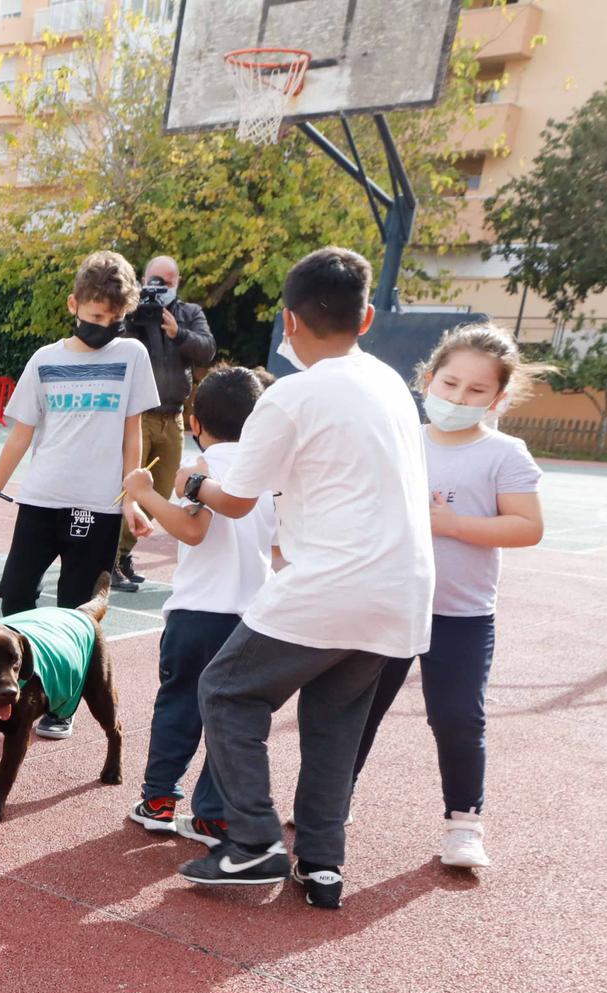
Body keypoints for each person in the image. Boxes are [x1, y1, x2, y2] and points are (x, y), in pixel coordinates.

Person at [177, 246, 433, 909]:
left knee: (228, 690)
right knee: (334, 722)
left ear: (289, 322)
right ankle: (321, 864)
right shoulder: (393, 387)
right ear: (367, 317)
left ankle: (253, 839)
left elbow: (236, 499)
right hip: (402, 593)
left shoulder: (290, 394)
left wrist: (196, 481)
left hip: (334, 583)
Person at [350, 325, 546, 870]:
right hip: (392, 602)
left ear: (499, 398)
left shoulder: (504, 453)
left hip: (461, 615)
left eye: (476, 391)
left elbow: (527, 527)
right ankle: (332, 799)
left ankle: (464, 823)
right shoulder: (401, 439)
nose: (459, 399)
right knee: (358, 707)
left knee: (458, 717)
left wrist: (454, 524)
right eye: (451, 383)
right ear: (428, 379)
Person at [0, 250, 155, 740]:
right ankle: (20, 680)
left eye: (115, 319)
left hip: (98, 504)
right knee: (15, 590)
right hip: (42, 497)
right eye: (96, 317)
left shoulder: (131, 356)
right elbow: (20, 434)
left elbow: (131, 433)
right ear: (74, 304)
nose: (105, 326)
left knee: (77, 611)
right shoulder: (45, 360)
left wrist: (131, 497)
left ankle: (63, 702)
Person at [120, 366, 276, 845]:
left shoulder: (200, 467)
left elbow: (192, 528)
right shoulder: (268, 475)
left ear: (195, 422)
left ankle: (159, 799)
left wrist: (144, 495)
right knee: (233, 718)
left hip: (199, 613)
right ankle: (213, 814)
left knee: (179, 706)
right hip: (253, 618)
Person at [111, 254, 216, 594]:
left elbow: (207, 350)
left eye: (166, 283)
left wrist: (177, 332)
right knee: (128, 486)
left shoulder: (189, 313)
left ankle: (123, 554)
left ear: (177, 283)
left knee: (162, 490)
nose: (159, 289)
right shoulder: (131, 311)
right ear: (143, 280)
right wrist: (137, 316)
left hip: (173, 415)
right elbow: (113, 344)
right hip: (137, 414)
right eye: (154, 281)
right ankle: (109, 559)